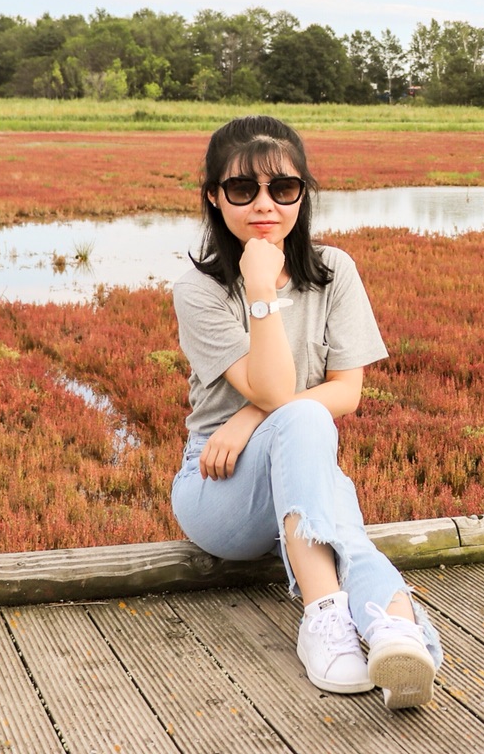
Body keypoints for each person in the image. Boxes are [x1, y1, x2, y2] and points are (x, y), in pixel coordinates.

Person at [170, 115, 442, 710]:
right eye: (242, 190)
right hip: (219, 488)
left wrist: (249, 419)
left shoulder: (334, 270)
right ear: (215, 198)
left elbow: (348, 391)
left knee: (338, 516)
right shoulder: (199, 288)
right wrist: (261, 289)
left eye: (283, 189)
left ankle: (397, 633)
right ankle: (325, 617)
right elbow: (272, 388)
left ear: (303, 194)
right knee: (308, 426)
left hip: (294, 468)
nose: (264, 204)